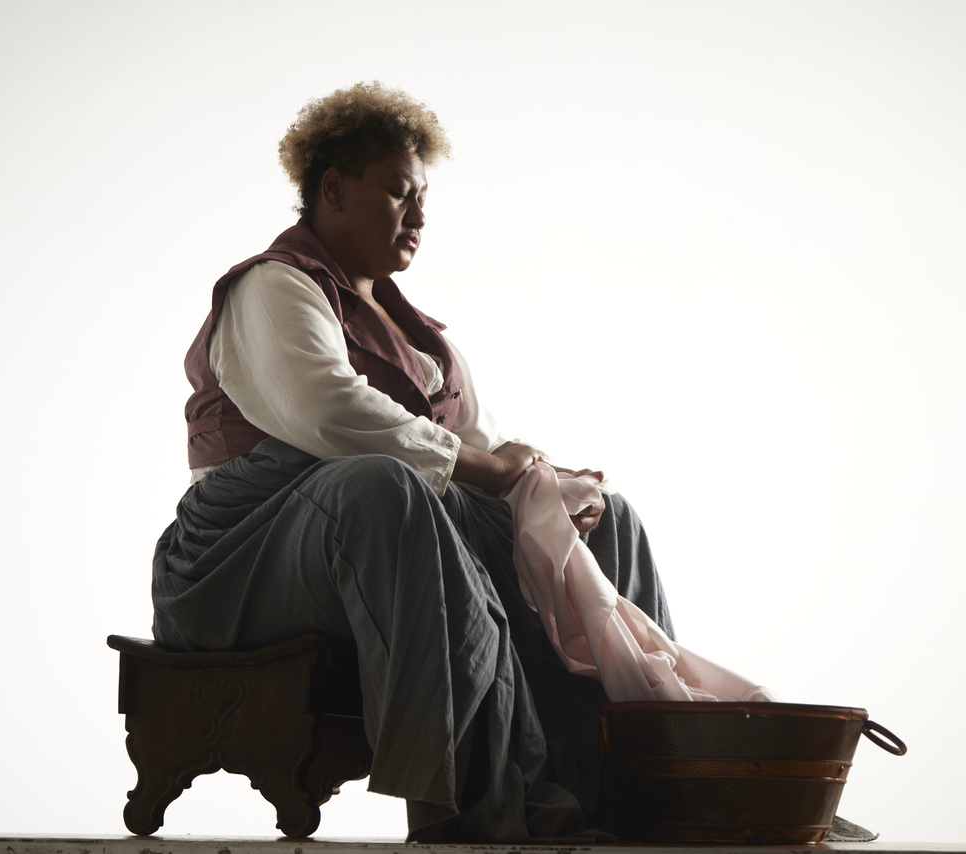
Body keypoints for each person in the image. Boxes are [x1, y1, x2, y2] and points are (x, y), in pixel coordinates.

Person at [151, 81, 676, 842]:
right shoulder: (274, 286)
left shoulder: (421, 337)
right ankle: (483, 804)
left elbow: (481, 445)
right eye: (400, 193)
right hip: (238, 555)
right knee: (383, 487)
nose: (420, 217)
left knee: (604, 517)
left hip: (379, 525)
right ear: (334, 189)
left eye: (424, 198)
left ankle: (636, 781)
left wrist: (553, 485)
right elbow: (330, 411)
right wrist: (490, 471)